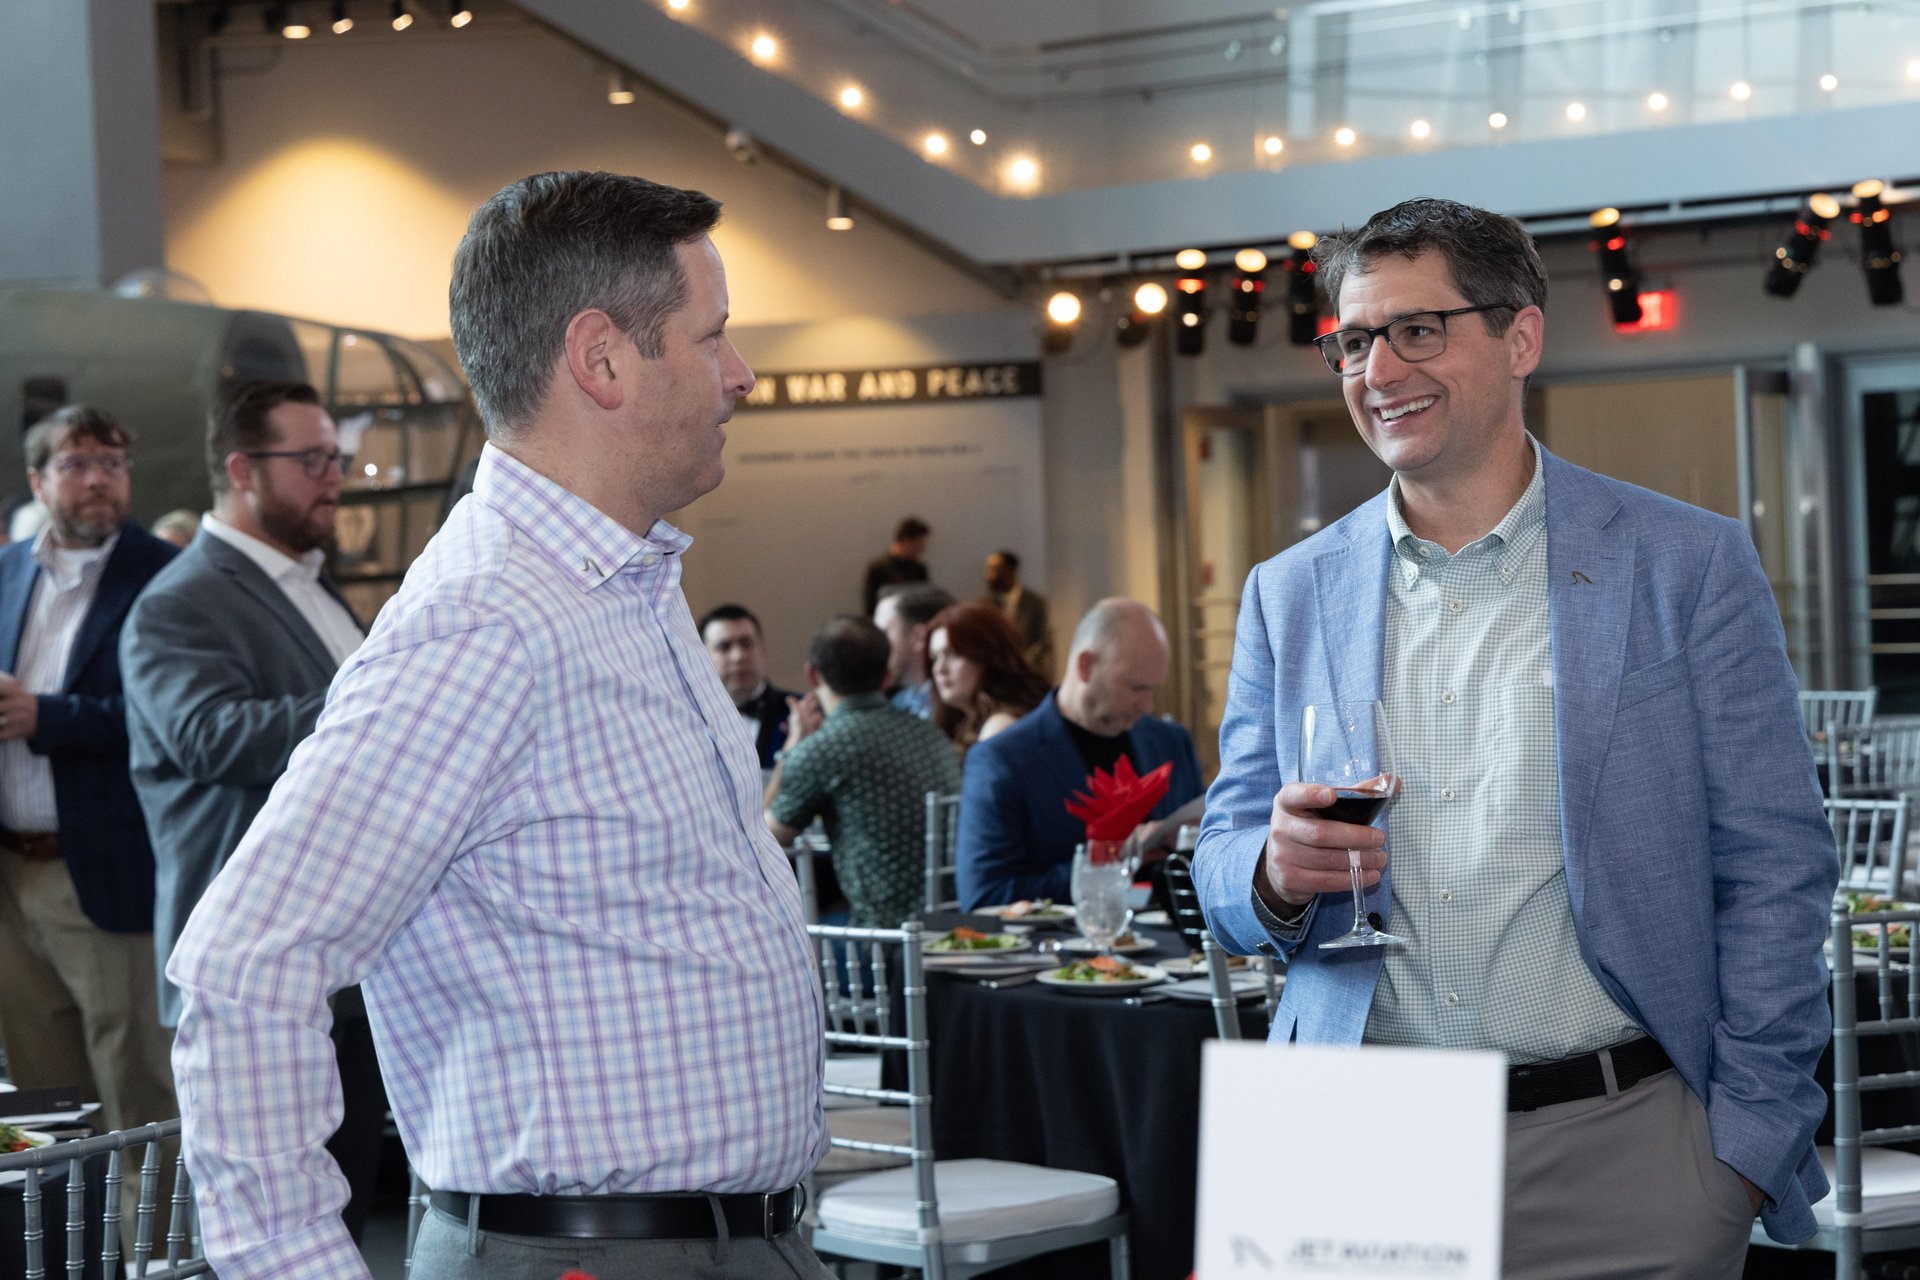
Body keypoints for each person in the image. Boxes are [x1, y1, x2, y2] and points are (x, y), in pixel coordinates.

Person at [164, 171, 830, 1280]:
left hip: (715, 1240)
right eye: (712, 336)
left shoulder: (619, 583)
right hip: (593, 1256)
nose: (741, 373)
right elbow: (245, 968)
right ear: (601, 358)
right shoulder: (488, 623)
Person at [1193, 197, 1834, 1276]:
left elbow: (1777, 864)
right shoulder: (1287, 593)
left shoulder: (1688, 564)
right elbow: (1219, 865)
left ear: (1520, 335)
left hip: (1628, 1150)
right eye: (1353, 341)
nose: (1378, 368)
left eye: (1418, 329)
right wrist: (1268, 868)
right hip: (1351, 1140)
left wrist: (1744, 1152)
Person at [120, 379, 389, 1240]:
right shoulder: (177, 600)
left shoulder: (311, 585)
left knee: (349, 1208)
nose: (333, 476)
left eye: (335, 458)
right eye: (310, 460)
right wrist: (375, 690)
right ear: (241, 470)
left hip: (344, 955)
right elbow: (208, 738)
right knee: (275, 1230)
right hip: (258, 970)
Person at [0, 406, 178, 1150]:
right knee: (46, 1111)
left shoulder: (167, 578)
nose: (98, 479)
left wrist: (47, 716)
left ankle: (156, 1266)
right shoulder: (7, 571)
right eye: (76, 464)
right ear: (39, 481)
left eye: (113, 462)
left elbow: (165, 722)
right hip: (13, 875)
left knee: (135, 1100)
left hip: (104, 872)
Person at [956, 598, 1203, 910]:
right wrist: (1110, 861)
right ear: (1085, 666)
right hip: (1064, 949)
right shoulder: (1003, 760)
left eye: (1154, 689)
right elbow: (985, 895)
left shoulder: (1170, 742)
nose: (1148, 705)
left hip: (1177, 948)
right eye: (1137, 688)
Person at [764, 614, 960, 928]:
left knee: (793, 937)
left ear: (812, 676)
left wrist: (791, 750)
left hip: (881, 939)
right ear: (886, 676)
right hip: (950, 926)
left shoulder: (823, 749)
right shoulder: (931, 734)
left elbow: (763, 842)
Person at [926, 601, 1049, 755]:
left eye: (953, 654)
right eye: (934, 658)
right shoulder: (962, 723)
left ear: (987, 656)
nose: (939, 669)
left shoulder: (998, 726)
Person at [700, 602, 799, 770]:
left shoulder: (799, 712)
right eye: (724, 647)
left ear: (762, 650)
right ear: (702, 657)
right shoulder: (692, 719)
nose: (738, 656)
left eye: (746, 644)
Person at [874, 581, 952, 719]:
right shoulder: (898, 704)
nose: (875, 645)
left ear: (919, 636)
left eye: (883, 634)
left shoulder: (955, 705)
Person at [980, 549, 1055, 681]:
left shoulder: (1035, 602)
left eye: (995, 570)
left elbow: (1042, 640)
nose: (989, 576)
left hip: (1029, 675)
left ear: (1010, 570)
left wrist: (1022, 663)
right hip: (996, 678)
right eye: (988, 570)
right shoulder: (984, 605)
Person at [861, 515, 929, 615]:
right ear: (905, 540)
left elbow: (925, 602)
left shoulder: (919, 569)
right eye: (919, 543)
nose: (922, 548)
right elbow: (871, 607)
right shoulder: (878, 568)